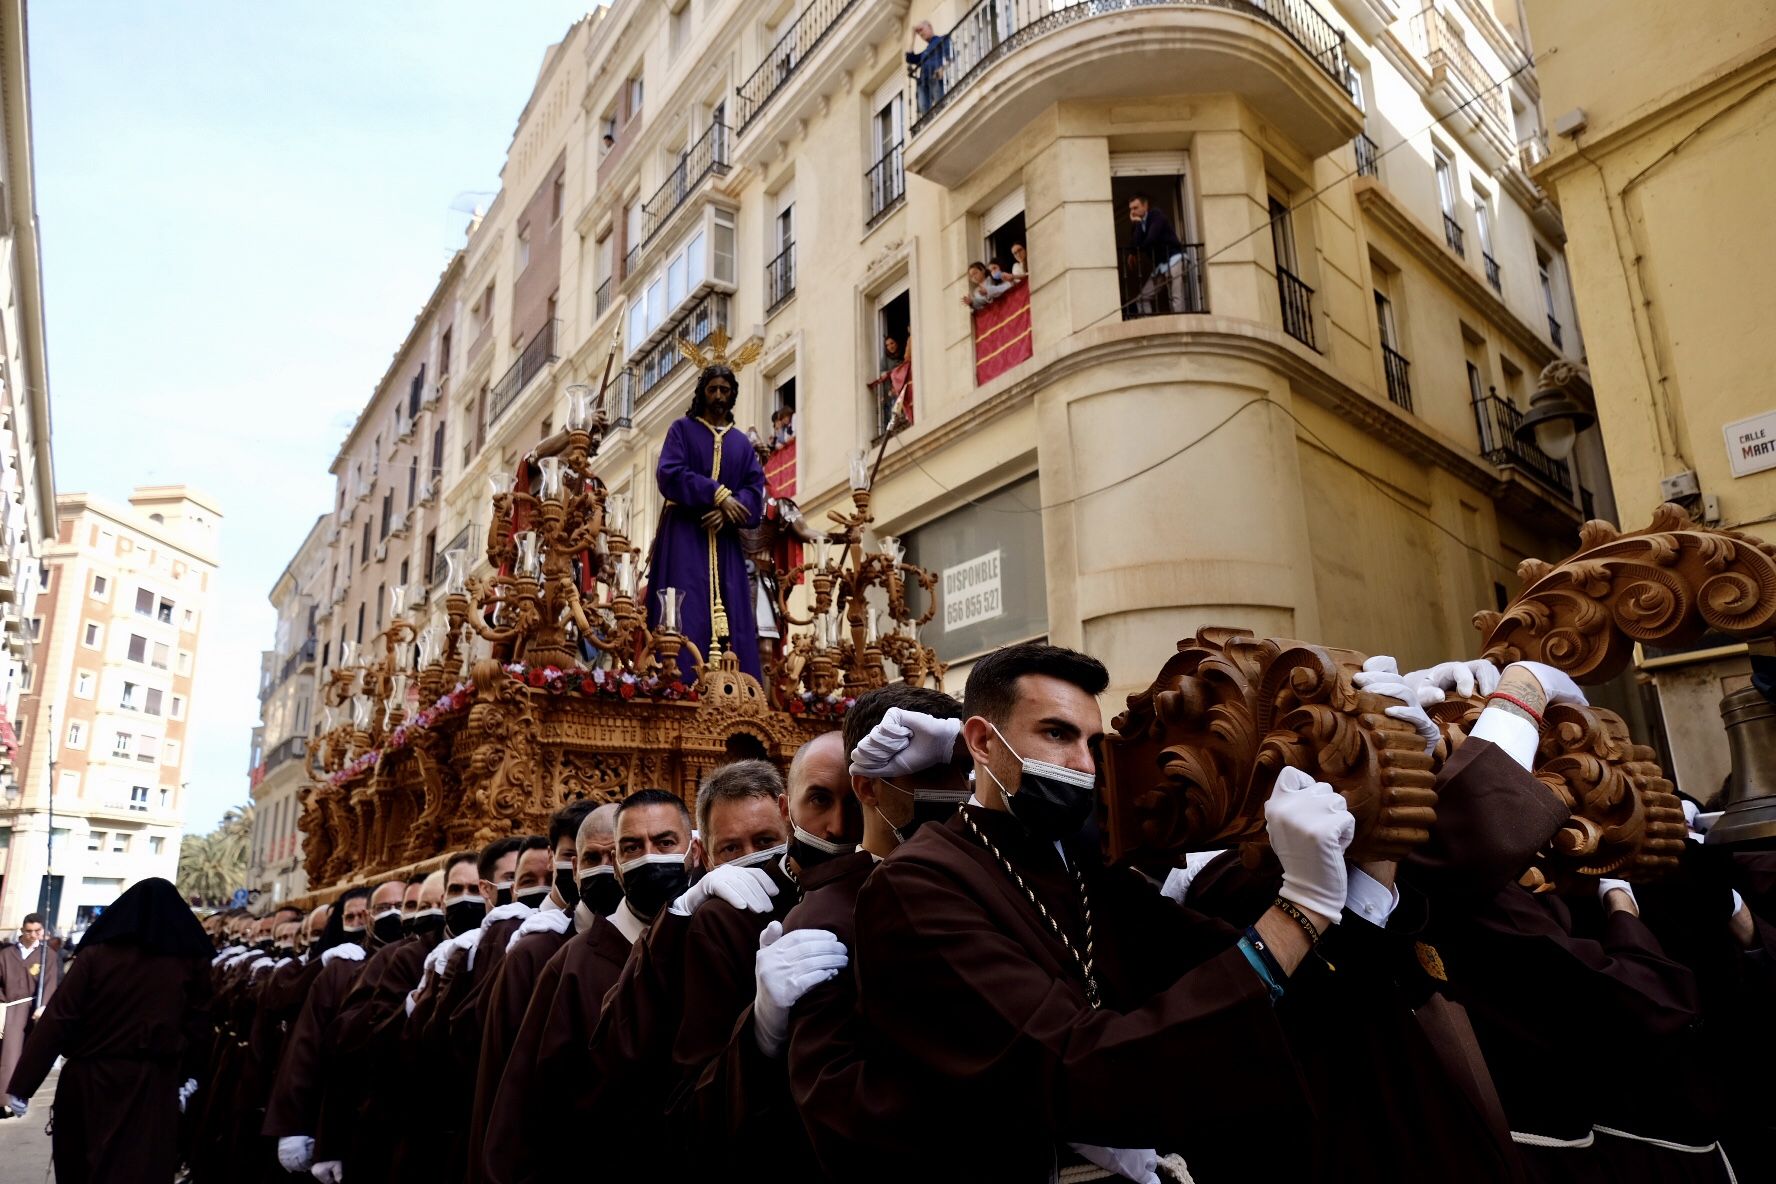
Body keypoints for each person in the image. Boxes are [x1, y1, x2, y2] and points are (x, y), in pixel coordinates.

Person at [850, 640, 1360, 1180]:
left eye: (1092, 742)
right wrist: (1300, 909)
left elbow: (1225, 966)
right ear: (981, 741)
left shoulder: (1083, 866)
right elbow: (1072, 1068)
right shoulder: (917, 886)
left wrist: (1369, 854)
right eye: (1056, 734)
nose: (1083, 764)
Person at [787, 689, 968, 1176]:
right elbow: (836, 1100)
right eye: (929, 773)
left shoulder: (980, 881)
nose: (954, 787)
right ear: (868, 787)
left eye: (961, 768)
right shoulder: (825, 916)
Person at [584, 765, 791, 1164]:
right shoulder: (697, 928)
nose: (751, 859)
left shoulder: (822, 903)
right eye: (731, 848)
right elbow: (618, 1044)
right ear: (708, 858)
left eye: (765, 841)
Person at [5, 878, 212, 1184]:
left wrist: (23, 1084)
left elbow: (60, 1018)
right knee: (140, 1166)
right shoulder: (190, 961)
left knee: (85, 1165)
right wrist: (191, 1078)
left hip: (90, 1080)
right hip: (151, 1084)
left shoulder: (97, 955)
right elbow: (199, 1025)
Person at [649, 363, 768, 681]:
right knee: (684, 608)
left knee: (735, 616)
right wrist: (717, 494)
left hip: (725, 541)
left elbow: (756, 494)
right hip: (685, 535)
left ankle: (737, 686)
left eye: (725, 390)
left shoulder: (741, 444)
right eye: (713, 388)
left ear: (732, 396)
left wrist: (732, 507)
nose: (718, 396)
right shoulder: (682, 430)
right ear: (702, 391)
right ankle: (678, 681)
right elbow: (669, 473)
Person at [0, 912, 64, 1101]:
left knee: (27, 1055)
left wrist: (43, 1005)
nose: (33, 935)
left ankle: (15, 1097)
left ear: (42, 931)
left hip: (34, 1009)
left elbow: (51, 981)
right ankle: (5, 1099)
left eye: (37, 931)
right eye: (29, 931)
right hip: (10, 1007)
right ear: (22, 930)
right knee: (9, 1053)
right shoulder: (6, 953)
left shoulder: (47, 955)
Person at [1126, 192, 1190, 315]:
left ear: (1145, 206)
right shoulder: (1139, 222)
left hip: (1174, 259)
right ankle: (1148, 326)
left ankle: (1180, 327)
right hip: (1161, 265)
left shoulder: (1156, 215)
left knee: (1176, 297)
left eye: (1136, 207)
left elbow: (1151, 239)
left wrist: (1137, 249)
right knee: (1142, 298)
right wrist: (1133, 251)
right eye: (1131, 209)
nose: (1133, 212)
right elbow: (1134, 243)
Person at [906, 20, 950, 117]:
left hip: (935, 77)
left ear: (929, 26)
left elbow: (950, 57)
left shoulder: (942, 39)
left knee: (940, 105)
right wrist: (913, 35)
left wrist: (942, 69)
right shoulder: (925, 53)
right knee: (924, 109)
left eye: (921, 30)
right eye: (919, 33)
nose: (921, 34)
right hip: (923, 81)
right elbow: (909, 58)